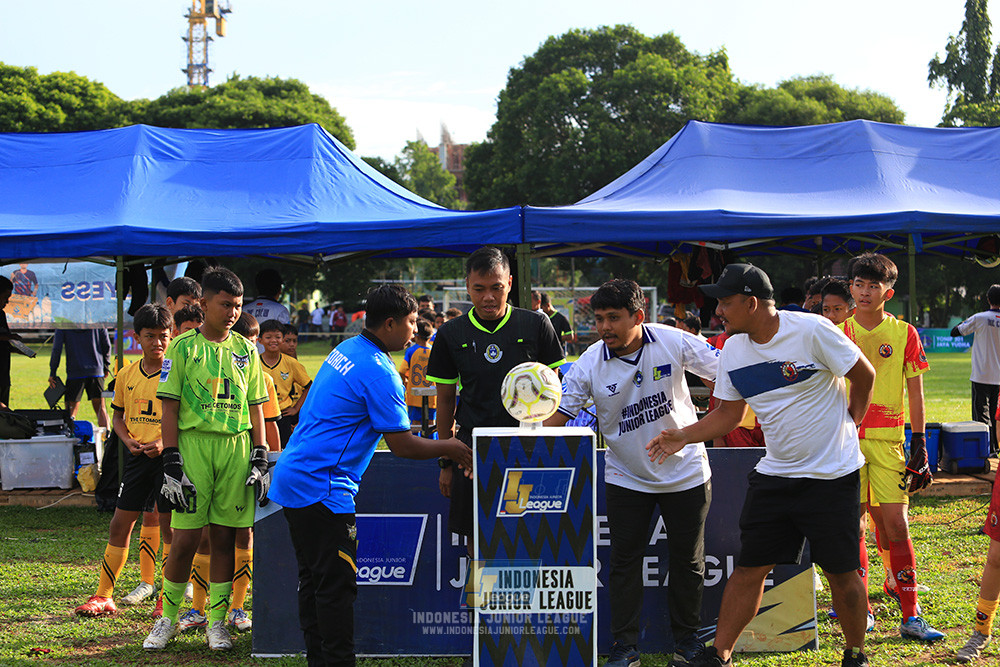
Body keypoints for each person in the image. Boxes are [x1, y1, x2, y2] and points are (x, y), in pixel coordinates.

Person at [646, 263, 876, 667]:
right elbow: (728, 416)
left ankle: (855, 653)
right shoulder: (734, 349)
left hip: (831, 476)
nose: (719, 311)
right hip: (775, 474)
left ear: (752, 303)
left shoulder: (811, 330)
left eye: (726, 302)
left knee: (841, 571)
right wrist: (683, 434)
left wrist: (852, 419)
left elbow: (864, 373)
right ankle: (719, 654)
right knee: (751, 567)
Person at [269, 284, 474, 667]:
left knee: (315, 582)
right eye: (412, 323)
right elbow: (403, 446)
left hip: (295, 479)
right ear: (391, 323)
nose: (416, 330)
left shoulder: (346, 349)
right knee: (335, 588)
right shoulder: (379, 371)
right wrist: (450, 445)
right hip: (323, 489)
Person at [544, 279, 719, 667]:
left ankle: (687, 643)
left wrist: (706, 423)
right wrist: (524, 429)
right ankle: (625, 648)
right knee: (625, 563)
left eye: (613, 318)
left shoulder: (674, 341)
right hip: (626, 477)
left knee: (688, 562)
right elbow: (560, 416)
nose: (604, 327)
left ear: (638, 316)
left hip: (686, 473)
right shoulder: (590, 360)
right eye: (599, 318)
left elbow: (724, 373)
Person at [142, 267, 269, 652]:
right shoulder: (182, 347)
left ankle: (217, 623)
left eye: (238, 306)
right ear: (204, 302)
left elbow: (257, 407)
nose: (232, 312)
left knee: (224, 539)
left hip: (235, 448)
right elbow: (169, 407)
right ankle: (167, 618)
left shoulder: (247, 349)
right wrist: (171, 460)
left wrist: (260, 455)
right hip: (194, 447)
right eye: (225, 304)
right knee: (184, 540)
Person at [426, 246, 565, 542]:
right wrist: (446, 461)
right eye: (479, 289)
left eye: (496, 288)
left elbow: (553, 392)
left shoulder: (537, 324)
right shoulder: (451, 334)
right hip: (471, 451)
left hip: (527, 446)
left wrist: (541, 445)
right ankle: (482, 587)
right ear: (467, 286)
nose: (488, 297)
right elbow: (446, 401)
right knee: (480, 538)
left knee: (530, 536)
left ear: (510, 284)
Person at [839, 252, 943, 641]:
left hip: (890, 444)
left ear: (889, 291)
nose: (865, 292)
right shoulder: (838, 332)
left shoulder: (904, 333)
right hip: (846, 442)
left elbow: (915, 392)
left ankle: (911, 615)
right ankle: (862, 610)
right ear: (851, 288)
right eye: (858, 284)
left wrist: (921, 442)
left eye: (873, 286)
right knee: (854, 526)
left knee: (897, 527)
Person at [74, 305, 173, 618]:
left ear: (171, 337)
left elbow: (186, 418)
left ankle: (167, 600)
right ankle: (103, 595)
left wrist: (163, 442)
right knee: (120, 524)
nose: (157, 342)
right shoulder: (126, 374)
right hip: (136, 458)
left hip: (169, 458)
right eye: (150, 336)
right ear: (137, 338)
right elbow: (118, 416)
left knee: (170, 528)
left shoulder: (177, 373)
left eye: (163, 336)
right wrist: (126, 438)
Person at [952, 285, 1000, 456]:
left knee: (981, 415)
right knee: (996, 414)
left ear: (988, 299)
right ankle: (995, 448)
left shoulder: (980, 318)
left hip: (982, 374)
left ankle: (985, 450)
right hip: (999, 377)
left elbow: (955, 332)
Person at [259, 319, 312, 446]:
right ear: (259, 340)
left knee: (282, 451)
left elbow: (309, 386)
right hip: (260, 414)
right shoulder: (255, 362)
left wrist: (295, 408)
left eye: (277, 337)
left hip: (282, 415)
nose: (273, 340)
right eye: (268, 337)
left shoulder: (291, 363)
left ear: (282, 339)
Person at [49, 327, 111, 428]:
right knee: (101, 409)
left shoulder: (64, 322)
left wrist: (53, 372)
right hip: (96, 371)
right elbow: (106, 345)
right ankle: (107, 439)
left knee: (70, 413)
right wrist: (106, 365)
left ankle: (70, 438)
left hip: (75, 372)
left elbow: (57, 349)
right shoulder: (96, 318)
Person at [399, 319, 436, 431]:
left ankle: (416, 446)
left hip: (414, 394)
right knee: (431, 423)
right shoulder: (434, 351)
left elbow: (401, 370)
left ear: (415, 336)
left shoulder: (411, 351)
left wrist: (405, 383)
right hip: (432, 394)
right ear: (430, 337)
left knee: (415, 423)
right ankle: (432, 446)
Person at [0, 276, 19, 408]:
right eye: (5, 296)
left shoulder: (1, 315)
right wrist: (7, 337)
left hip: (3, 374)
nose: (7, 301)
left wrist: (16, 348)